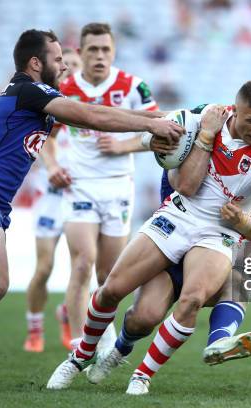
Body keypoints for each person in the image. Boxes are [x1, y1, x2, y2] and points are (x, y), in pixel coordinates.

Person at [0, 29, 183, 395]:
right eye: (57, 59)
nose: (63, 64)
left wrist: (177, 115)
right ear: (36, 63)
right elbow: (90, 116)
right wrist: (151, 124)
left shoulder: (33, 96)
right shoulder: (27, 90)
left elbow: (103, 111)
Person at [47, 81, 251, 395]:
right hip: (177, 215)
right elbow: (164, 138)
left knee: (193, 299)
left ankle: (142, 376)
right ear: (234, 109)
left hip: (217, 235)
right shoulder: (205, 117)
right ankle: (81, 356)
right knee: (115, 294)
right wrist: (150, 140)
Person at [41, 23, 162, 353]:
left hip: (118, 187)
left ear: (114, 52)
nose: (99, 55)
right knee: (82, 261)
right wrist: (52, 167)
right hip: (79, 186)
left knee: (109, 274)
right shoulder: (62, 90)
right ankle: (79, 346)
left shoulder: (134, 87)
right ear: (80, 53)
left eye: (105, 49)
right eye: (92, 49)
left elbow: (160, 132)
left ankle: (103, 334)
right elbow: (46, 140)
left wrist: (124, 146)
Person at [84, 178, 251, 386]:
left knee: (239, 282)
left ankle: (218, 341)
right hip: (171, 247)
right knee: (143, 318)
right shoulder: (195, 151)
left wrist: (246, 225)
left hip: (213, 251)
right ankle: (120, 348)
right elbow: (183, 183)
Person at [24, 48, 81, 353]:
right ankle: (35, 329)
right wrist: (51, 165)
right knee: (44, 267)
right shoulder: (47, 106)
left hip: (79, 197)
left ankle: (66, 316)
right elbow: (41, 143)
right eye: (65, 65)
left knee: (80, 268)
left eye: (74, 67)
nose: (69, 71)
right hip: (49, 197)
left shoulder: (86, 108)